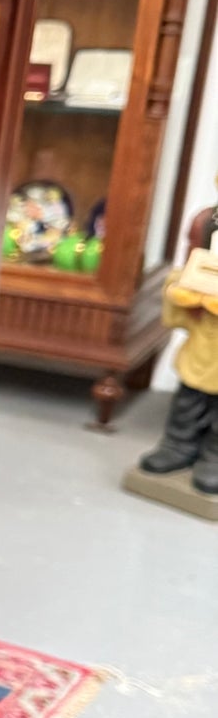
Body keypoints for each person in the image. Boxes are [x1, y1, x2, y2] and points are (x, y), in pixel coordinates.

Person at [139, 184, 218, 494]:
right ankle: (178, 444)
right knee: (190, 395)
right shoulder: (208, 221)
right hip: (205, 329)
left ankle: (214, 456)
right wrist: (184, 291)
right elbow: (190, 266)